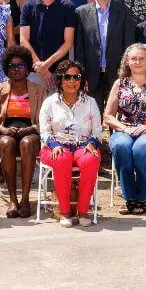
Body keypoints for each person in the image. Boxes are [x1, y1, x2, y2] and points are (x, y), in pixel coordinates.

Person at [103, 43, 146, 214]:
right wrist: (124, 128)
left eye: (142, 58)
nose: (137, 62)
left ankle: (143, 197)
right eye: (133, 58)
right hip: (125, 130)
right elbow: (108, 116)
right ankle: (130, 197)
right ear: (127, 61)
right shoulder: (120, 84)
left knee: (142, 147)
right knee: (121, 146)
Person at [38, 60, 104, 226]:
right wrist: (54, 145)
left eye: (76, 77)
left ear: (81, 80)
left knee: (91, 160)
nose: (72, 81)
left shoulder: (90, 102)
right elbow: (44, 132)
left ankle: (83, 211)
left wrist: (92, 143)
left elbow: (97, 130)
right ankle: (65, 211)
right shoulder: (50, 103)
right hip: (55, 146)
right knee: (62, 159)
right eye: (67, 77)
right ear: (60, 79)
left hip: (83, 145)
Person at [0, 49, 44, 217]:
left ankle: (25, 199)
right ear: (7, 69)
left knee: (27, 142)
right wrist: (4, 130)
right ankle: (13, 199)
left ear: (27, 68)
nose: (16, 69)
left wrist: (31, 129)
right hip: (5, 131)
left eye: (21, 65)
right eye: (12, 66)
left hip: (31, 130)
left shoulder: (39, 89)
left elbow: (46, 120)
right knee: (7, 142)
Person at [71, 0, 136, 94]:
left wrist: (127, 74)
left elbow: (129, 46)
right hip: (91, 77)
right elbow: (79, 49)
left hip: (118, 76)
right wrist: (81, 75)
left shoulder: (124, 11)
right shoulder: (81, 13)